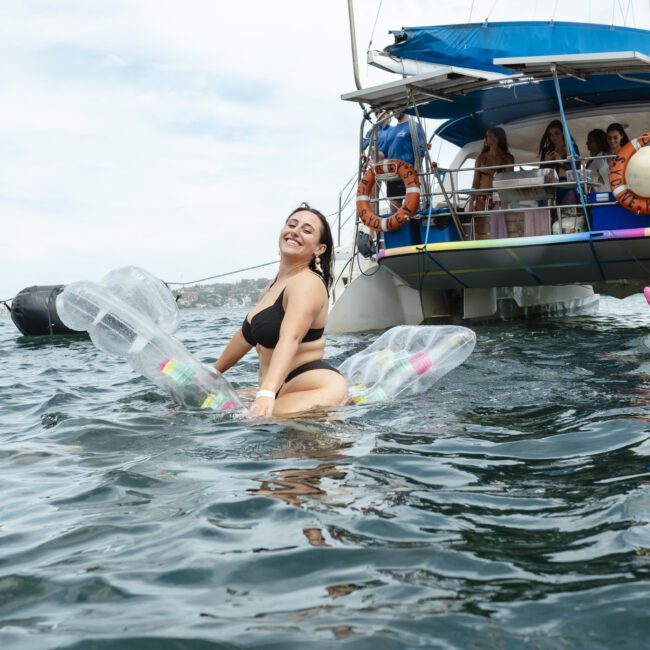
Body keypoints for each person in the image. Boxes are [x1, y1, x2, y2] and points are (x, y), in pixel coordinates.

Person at [213, 204, 348, 418]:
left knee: (257, 423)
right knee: (208, 403)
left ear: (319, 248)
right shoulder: (273, 286)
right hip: (277, 387)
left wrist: (266, 393)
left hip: (313, 387)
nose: (295, 231)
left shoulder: (307, 283)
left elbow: (290, 338)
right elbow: (245, 336)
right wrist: (213, 373)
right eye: (292, 225)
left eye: (307, 230)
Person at [468, 127, 515, 238]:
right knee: (482, 229)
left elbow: (508, 182)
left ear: (497, 138)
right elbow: (475, 183)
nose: (485, 138)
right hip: (481, 198)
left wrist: (490, 172)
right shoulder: (480, 158)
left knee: (499, 228)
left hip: (499, 198)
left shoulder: (508, 158)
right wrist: (471, 203)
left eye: (488, 136)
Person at [381, 112, 426, 212]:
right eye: (393, 109)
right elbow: (383, 153)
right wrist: (373, 149)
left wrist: (416, 172)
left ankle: (415, 227)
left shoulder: (415, 127)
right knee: (394, 211)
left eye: (397, 107)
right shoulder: (391, 131)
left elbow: (421, 151)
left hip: (409, 173)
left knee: (413, 209)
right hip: (393, 175)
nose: (394, 111)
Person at [539, 119, 581, 205]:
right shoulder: (546, 151)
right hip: (550, 186)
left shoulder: (571, 148)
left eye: (556, 133)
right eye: (550, 135)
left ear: (562, 133)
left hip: (567, 186)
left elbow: (577, 169)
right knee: (549, 215)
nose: (553, 137)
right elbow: (541, 172)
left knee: (567, 215)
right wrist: (545, 162)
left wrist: (562, 161)